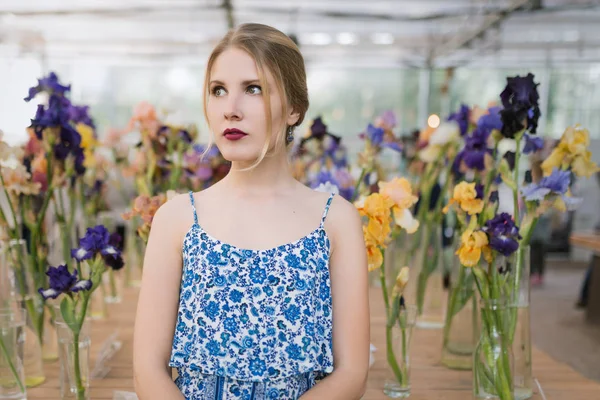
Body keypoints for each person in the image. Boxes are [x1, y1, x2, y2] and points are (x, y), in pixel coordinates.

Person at [132, 23, 370, 399]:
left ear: (294, 108)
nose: (231, 110)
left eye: (253, 89)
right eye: (218, 91)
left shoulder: (336, 220)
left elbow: (353, 373)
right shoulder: (176, 219)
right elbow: (147, 370)